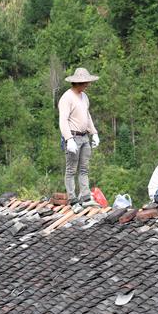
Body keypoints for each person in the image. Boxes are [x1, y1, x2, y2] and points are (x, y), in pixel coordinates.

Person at [59, 67, 101, 213]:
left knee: (84, 169)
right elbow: (63, 120)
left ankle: (85, 197)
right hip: (73, 137)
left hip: (84, 137)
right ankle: (73, 200)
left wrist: (94, 133)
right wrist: (68, 138)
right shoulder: (67, 98)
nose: (87, 85)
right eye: (85, 82)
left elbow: (87, 116)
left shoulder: (84, 97)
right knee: (71, 170)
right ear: (78, 83)